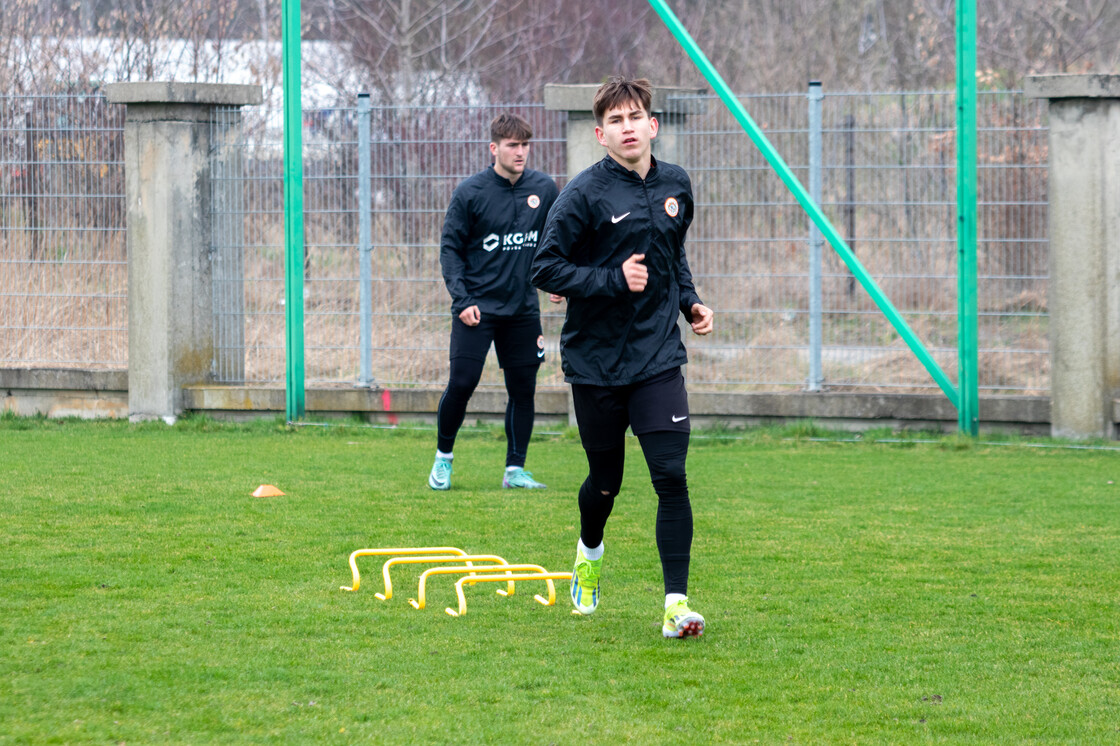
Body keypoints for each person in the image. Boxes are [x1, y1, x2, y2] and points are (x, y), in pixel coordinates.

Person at [531, 77, 714, 639]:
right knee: (605, 480)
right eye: (616, 120)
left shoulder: (677, 184)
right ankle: (589, 552)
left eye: (636, 116)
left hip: (658, 358)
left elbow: (671, 256)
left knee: (671, 476)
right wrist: (612, 279)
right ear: (601, 134)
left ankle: (675, 606)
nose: (628, 127)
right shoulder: (583, 194)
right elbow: (546, 268)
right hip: (596, 363)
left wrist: (690, 301)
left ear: (653, 125)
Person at [428, 113, 559, 491]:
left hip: (522, 310)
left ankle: (514, 470)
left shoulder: (544, 188)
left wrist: (557, 279)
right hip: (476, 309)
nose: (520, 152)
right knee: (463, 382)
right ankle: (443, 459)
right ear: (494, 148)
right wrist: (462, 298)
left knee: (523, 389)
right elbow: (450, 249)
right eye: (512, 145)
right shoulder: (471, 192)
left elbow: (556, 240)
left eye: (525, 145)